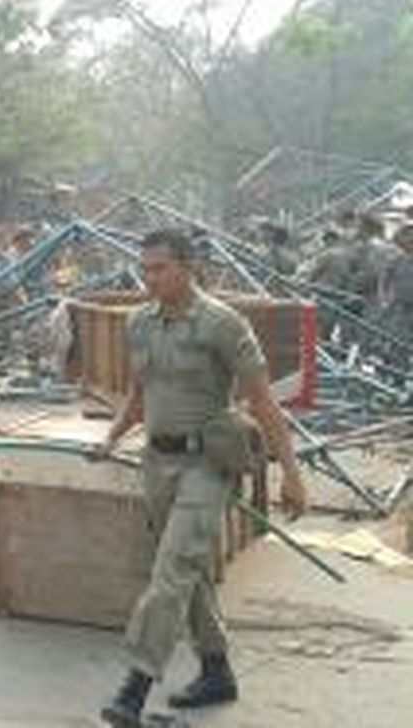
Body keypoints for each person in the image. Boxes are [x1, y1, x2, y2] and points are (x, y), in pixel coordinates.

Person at [95, 229, 307, 728]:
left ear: (188, 267)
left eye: (160, 268)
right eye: (144, 269)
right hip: (158, 463)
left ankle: (134, 686)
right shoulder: (140, 324)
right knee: (188, 574)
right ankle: (217, 670)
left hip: (208, 465)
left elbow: (263, 402)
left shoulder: (223, 324)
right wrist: (111, 437)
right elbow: (139, 394)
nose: (150, 278)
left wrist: (292, 475)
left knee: (169, 574)